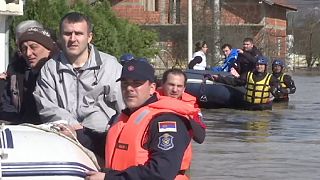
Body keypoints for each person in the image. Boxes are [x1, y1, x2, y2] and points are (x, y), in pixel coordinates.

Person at [85, 60, 203, 180]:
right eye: (125, 84)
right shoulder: (122, 118)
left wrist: (109, 178)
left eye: (137, 83)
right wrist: (78, 133)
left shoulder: (166, 121)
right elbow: (107, 145)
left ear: (152, 88)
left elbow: (161, 172)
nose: (129, 88)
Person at [33, 12, 125, 158]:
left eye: (79, 34)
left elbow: (124, 107)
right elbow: (46, 105)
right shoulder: (50, 68)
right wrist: (73, 127)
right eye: (67, 33)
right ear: (60, 37)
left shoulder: (110, 66)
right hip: (64, 138)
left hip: (101, 141)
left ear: (89, 37)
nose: (73, 39)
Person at [0, 26, 58, 124]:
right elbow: (8, 104)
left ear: (49, 49)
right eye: (24, 48)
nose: (28, 53)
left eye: (34, 47)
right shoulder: (17, 70)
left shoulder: (61, 74)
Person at [212, 56, 280, 110]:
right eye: (257, 65)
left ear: (265, 66)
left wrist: (274, 90)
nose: (259, 67)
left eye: (261, 65)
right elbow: (235, 82)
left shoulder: (271, 78)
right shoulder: (248, 75)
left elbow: (278, 88)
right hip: (249, 106)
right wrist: (219, 78)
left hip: (264, 108)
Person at [157, 68, 206, 143]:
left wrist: (184, 114)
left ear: (184, 88)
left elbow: (200, 138)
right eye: (171, 85)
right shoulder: (150, 100)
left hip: (178, 151)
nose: (175, 90)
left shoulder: (191, 106)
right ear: (162, 84)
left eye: (179, 86)